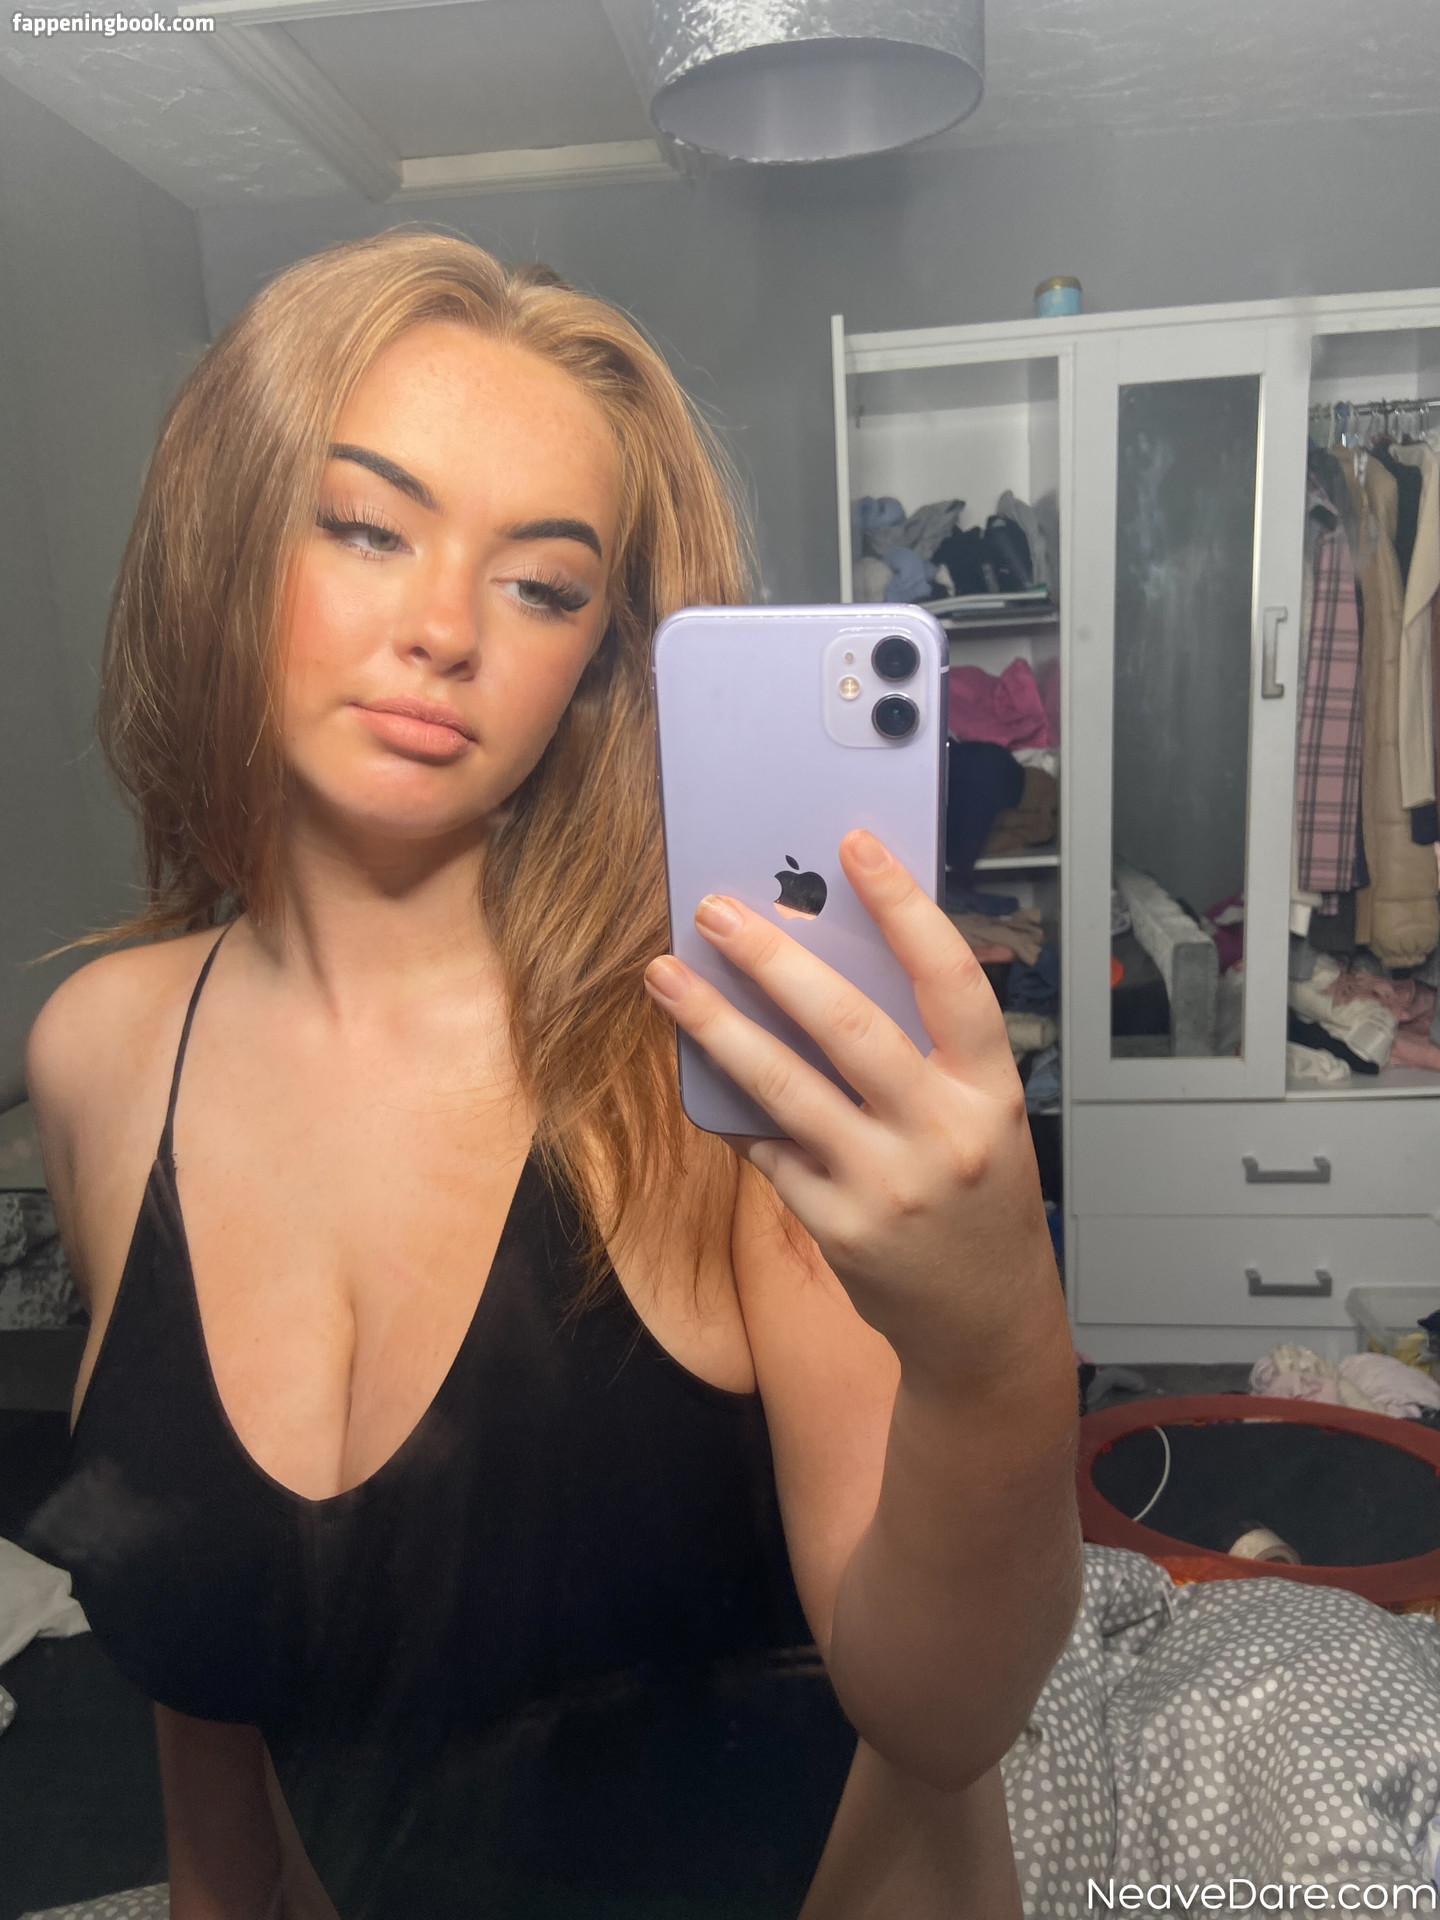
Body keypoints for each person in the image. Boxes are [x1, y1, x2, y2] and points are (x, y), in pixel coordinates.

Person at [23, 232, 1081, 1920]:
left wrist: (998, 1343)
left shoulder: (713, 1038)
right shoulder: (100, 1051)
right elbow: (202, 1647)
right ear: (225, 533)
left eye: (542, 585)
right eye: (366, 525)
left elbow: (948, 1715)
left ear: (598, 660)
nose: (446, 629)